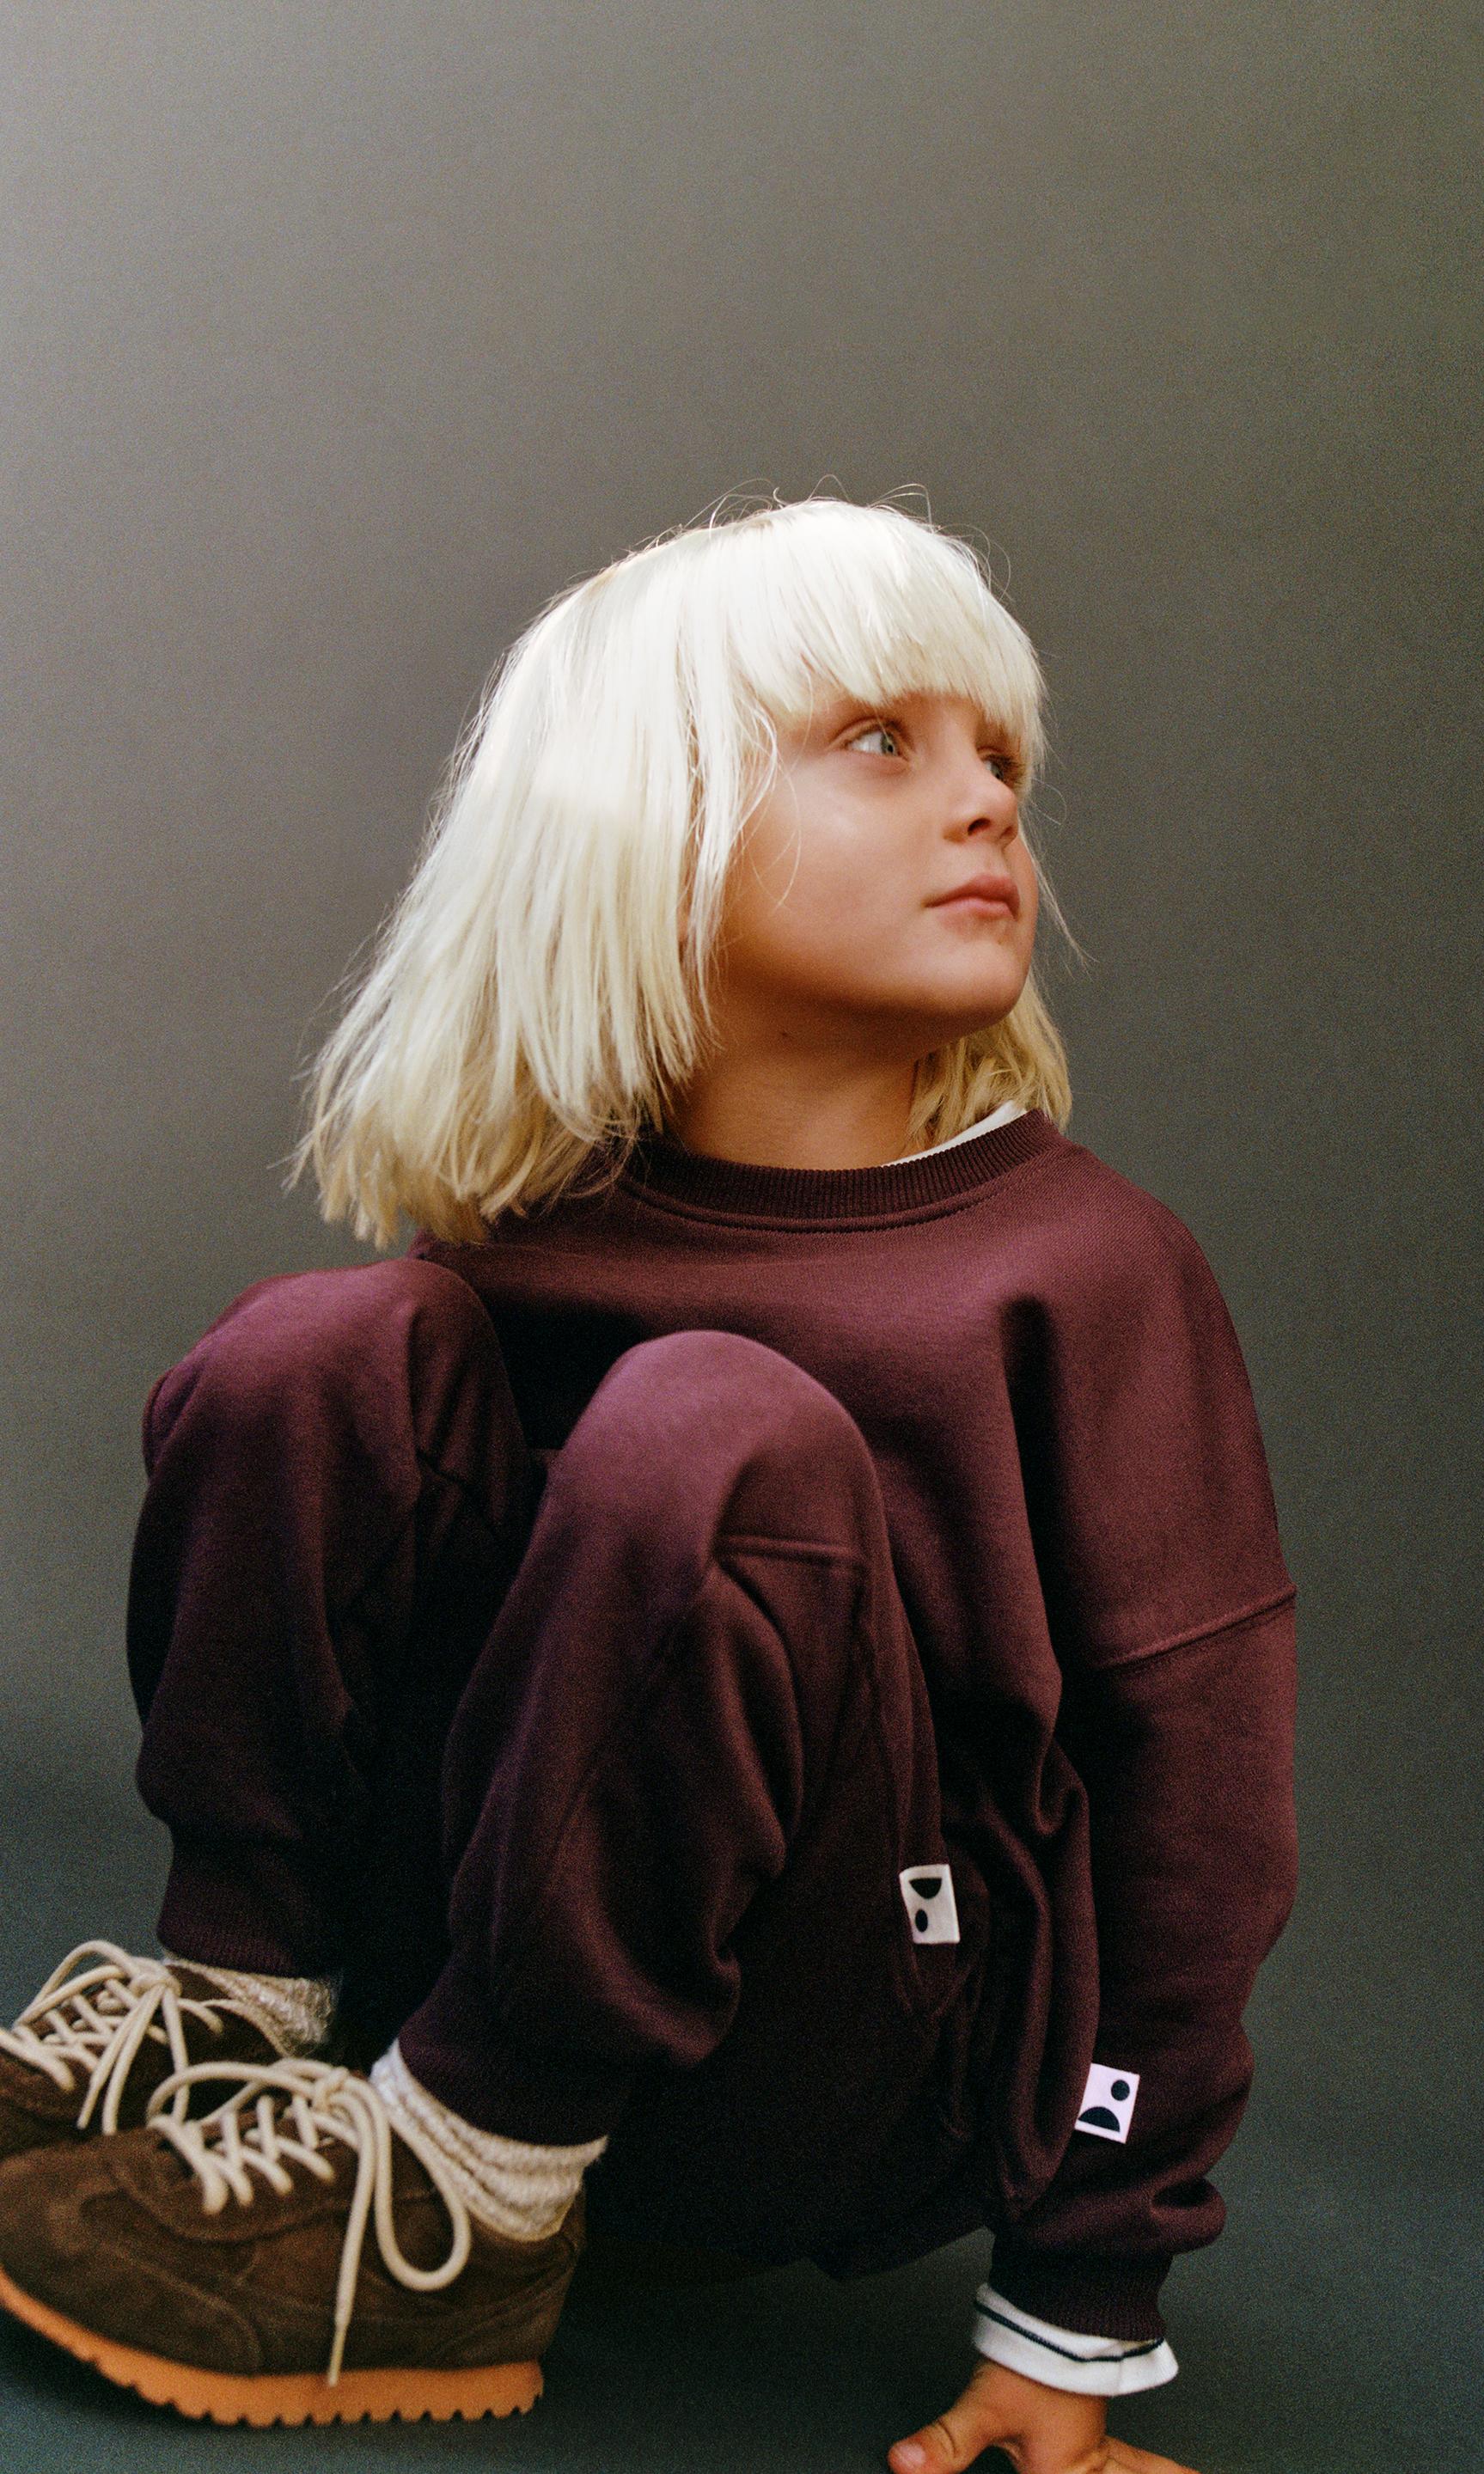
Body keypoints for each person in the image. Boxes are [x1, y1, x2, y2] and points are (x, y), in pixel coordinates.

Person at [0, 492, 1297, 2472]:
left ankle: (468, 2203)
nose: (987, 803)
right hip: (438, 1982)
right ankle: (239, 2025)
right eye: (885, 740)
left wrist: (1086, 2299)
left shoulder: (1081, 1272)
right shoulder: (528, 1233)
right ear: (645, 828)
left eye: (1002, 762)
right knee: (316, 1349)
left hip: (850, 2067)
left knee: (709, 1425)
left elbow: (1194, 1809)